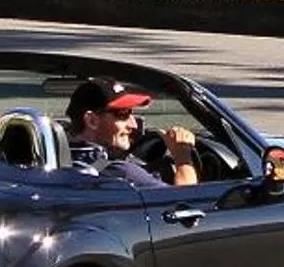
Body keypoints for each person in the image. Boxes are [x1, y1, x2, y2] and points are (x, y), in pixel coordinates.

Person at [66, 77, 200, 188]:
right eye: (123, 114)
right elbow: (183, 202)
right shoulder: (122, 173)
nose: (133, 125)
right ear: (91, 120)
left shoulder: (60, 159)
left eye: (132, 114)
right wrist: (183, 157)